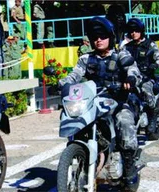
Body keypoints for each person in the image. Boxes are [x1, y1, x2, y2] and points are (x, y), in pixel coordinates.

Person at [58, 17, 142, 191]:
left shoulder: (121, 54)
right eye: (95, 36)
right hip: (94, 101)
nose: (98, 39)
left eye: (102, 36)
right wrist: (62, 83)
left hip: (118, 100)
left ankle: (129, 170)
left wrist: (131, 78)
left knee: (125, 123)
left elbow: (133, 69)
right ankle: (81, 154)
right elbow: (75, 75)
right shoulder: (86, 58)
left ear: (110, 37)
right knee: (72, 116)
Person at [122, 18, 159, 134]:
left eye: (136, 30)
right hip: (131, 78)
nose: (133, 33)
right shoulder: (126, 47)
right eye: (131, 31)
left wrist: (153, 66)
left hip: (147, 77)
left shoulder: (150, 44)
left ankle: (153, 115)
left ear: (141, 31)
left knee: (145, 89)